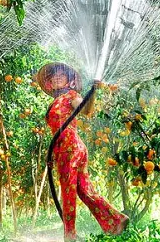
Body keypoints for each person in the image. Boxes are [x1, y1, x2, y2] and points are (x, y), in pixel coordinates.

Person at [36, 62, 128, 240]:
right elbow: (56, 132)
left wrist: (92, 92)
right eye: (53, 76)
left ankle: (69, 235)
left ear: (69, 80)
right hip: (65, 150)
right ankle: (117, 220)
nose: (56, 78)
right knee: (85, 191)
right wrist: (52, 156)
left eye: (61, 75)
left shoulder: (71, 95)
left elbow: (86, 110)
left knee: (68, 191)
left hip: (70, 148)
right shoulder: (56, 101)